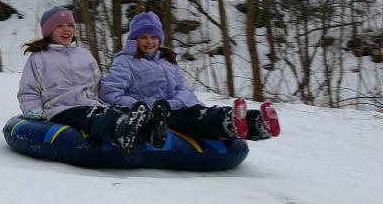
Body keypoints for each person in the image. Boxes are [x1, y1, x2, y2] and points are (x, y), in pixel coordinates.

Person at [99, 11, 280, 142]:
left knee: (207, 112)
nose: (149, 41)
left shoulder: (166, 60)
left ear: (159, 39)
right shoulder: (125, 61)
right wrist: (142, 106)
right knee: (198, 121)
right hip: (157, 114)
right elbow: (110, 94)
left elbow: (184, 88)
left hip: (181, 106)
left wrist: (177, 101)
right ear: (134, 39)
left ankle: (257, 122)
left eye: (154, 37)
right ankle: (233, 124)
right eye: (143, 37)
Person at [17, 6, 160, 151]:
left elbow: (96, 85)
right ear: (48, 31)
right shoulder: (39, 57)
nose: (66, 29)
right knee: (96, 118)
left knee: (114, 110)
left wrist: (107, 102)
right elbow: (29, 89)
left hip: (89, 103)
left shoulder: (84, 54)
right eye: (59, 26)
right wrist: (32, 109)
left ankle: (149, 127)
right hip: (61, 109)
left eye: (70, 25)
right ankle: (123, 131)